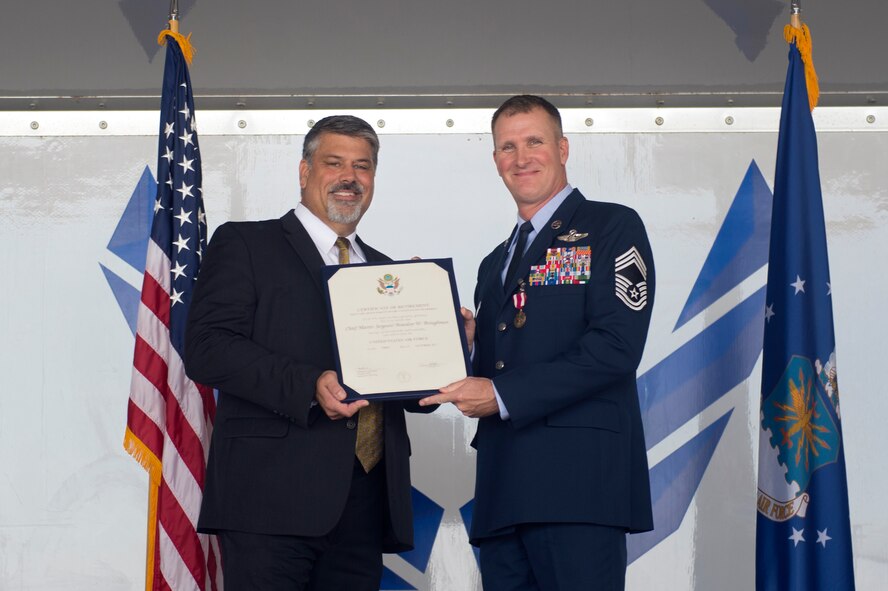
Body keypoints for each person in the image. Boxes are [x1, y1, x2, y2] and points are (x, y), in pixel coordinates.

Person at [185, 115, 434, 590]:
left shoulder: (388, 271)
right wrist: (307, 384)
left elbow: (402, 384)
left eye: (362, 166)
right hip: (268, 503)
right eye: (334, 162)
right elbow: (206, 347)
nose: (349, 178)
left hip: (364, 505)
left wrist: (443, 345)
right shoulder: (246, 243)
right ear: (304, 172)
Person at [421, 95, 655, 590]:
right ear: (495, 161)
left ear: (563, 148)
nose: (521, 157)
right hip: (504, 490)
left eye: (534, 141)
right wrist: (463, 344)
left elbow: (616, 347)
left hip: (580, 488)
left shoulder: (612, 227)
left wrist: (502, 395)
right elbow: (498, 366)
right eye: (508, 146)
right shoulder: (494, 263)